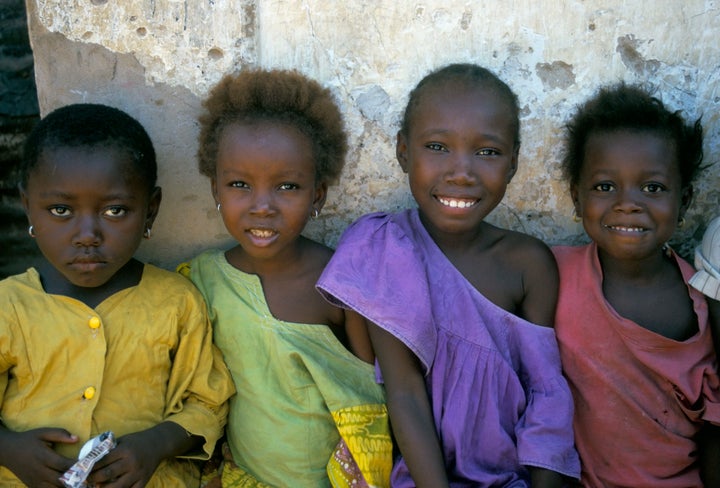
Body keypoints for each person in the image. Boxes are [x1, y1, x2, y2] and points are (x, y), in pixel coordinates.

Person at [317, 63, 580, 487]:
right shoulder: (385, 248)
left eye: (488, 152)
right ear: (404, 152)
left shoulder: (528, 263)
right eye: (437, 147)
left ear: (513, 162)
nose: (462, 172)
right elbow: (404, 392)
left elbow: (546, 396)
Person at [0, 103, 235, 487]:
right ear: (28, 207)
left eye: (115, 211)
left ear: (150, 210)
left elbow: (208, 403)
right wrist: (9, 449)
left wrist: (155, 445)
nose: (87, 233)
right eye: (60, 210)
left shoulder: (176, 302)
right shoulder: (8, 305)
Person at [179, 69, 392, 488]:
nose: (262, 206)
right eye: (239, 184)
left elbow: (369, 397)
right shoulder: (203, 280)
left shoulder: (342, 284)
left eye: (287, 186)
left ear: (318, 195)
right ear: (214, 190)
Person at [553, 83, 720, 487]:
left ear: (684, 200)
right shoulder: (552, 275)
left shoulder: (698, 303)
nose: (628, 203)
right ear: (577, 198)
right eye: (605, 187)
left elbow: (715, 422)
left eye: (653, 188)